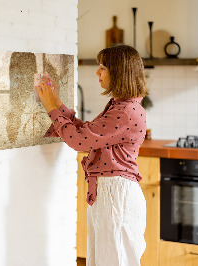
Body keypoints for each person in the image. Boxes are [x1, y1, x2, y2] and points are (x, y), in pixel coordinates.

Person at [36, 44, 148, 266]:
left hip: (116, 195)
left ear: (119, 72)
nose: (97, 72)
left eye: (103, 67)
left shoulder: (125, 111)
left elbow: (79, 141)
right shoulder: (121, 106)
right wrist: (57, 103)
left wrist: (51, 108)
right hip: (111, 193)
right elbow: (87, 133)